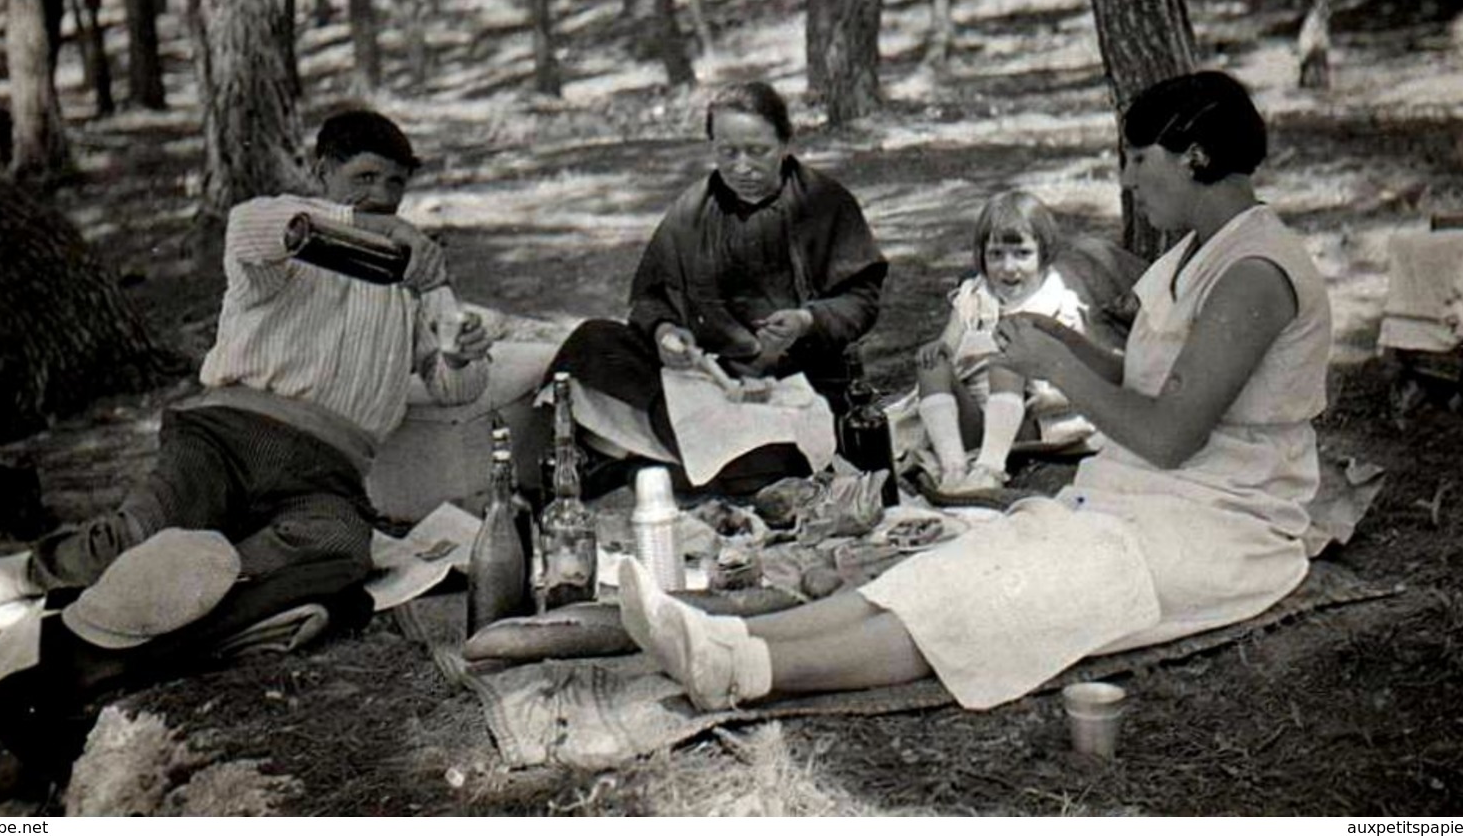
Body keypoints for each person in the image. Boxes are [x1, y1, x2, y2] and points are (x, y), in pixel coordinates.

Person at [618, 70, 1333, 711]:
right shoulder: (1195, 253)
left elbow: (1170, 434)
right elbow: (1148, 379)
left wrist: (1055, 369)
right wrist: (1062, 343)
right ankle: (723, 630)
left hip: (1220, 524)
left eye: (1137, 158)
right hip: (1144, 497)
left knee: (998, 598)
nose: (1126, 178)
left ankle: (745, 668)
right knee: (958, 563)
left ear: (1194, 156)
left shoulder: (1253, 272)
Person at [0, 108, 493, 628]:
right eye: (364, 178)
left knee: (342, 547)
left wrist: (461, 352)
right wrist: (368, 227)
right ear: (323, 173)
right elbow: (248, 229)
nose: (382, 195)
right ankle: (29, 574)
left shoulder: (410, 281)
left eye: (395, 184)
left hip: (327, 470)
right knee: (142, 530)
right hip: (229, 437)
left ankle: (194, 578)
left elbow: (454, 386)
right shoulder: (292, 242)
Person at [547, 81, 887, 494]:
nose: (742, 166)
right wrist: (666, 334)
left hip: (798, 384)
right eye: (728, 152)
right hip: (707, 382)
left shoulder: (824, 202)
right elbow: (649, 297)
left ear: (784, 142)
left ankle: (640, 466)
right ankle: (688, 464)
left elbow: (861, 298)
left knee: (778, 460)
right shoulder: (695, 207)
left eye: (757, 151)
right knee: (593, 343)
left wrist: (806, 320)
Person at [914, 189, 1091, 493]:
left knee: (1007, 358)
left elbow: (1081, 379)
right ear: (982, 256)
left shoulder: (1059, 305)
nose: (1008, 267)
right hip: (974, 420)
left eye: (1022, 254)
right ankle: (954, 467)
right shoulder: (974, 296)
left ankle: (990, 470)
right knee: (931, 363)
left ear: (1043, 252)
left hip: (1026, 422)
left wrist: (1048, 398)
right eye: (996, 255)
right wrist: (938, 351)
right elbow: (948, 345)